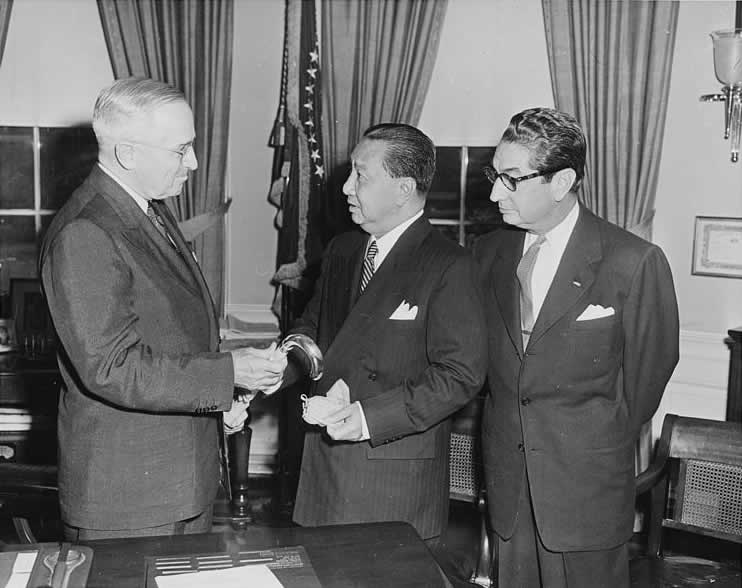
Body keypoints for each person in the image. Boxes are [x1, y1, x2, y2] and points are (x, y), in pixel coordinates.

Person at [39, 77, 287, 540]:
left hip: (177, 484)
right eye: (181, 149)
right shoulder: (86, 233)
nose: (193, 162)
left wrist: (220, 398)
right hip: (130, 500)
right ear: (128, 155)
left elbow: (169, 337)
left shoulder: (147, 207)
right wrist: (228, 373)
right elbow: (112, 367)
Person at [473, 107, 679, 587]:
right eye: (493, 175)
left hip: (584, 491)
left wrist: (588, 442)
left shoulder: (633, 260)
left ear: (562, 181)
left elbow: (649, 375)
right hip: (508, 485)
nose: (493, 192)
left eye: (511, 178)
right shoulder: (488, 253)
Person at [283, 123, 488, 544]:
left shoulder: (450, 265)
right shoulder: (343, 249)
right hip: (323, 476)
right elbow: (312, 329)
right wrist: (273, 370)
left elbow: (459, 376)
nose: (345, 188)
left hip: (392, 486)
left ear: (403, 188)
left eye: (361, 175)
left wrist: (365, 419)